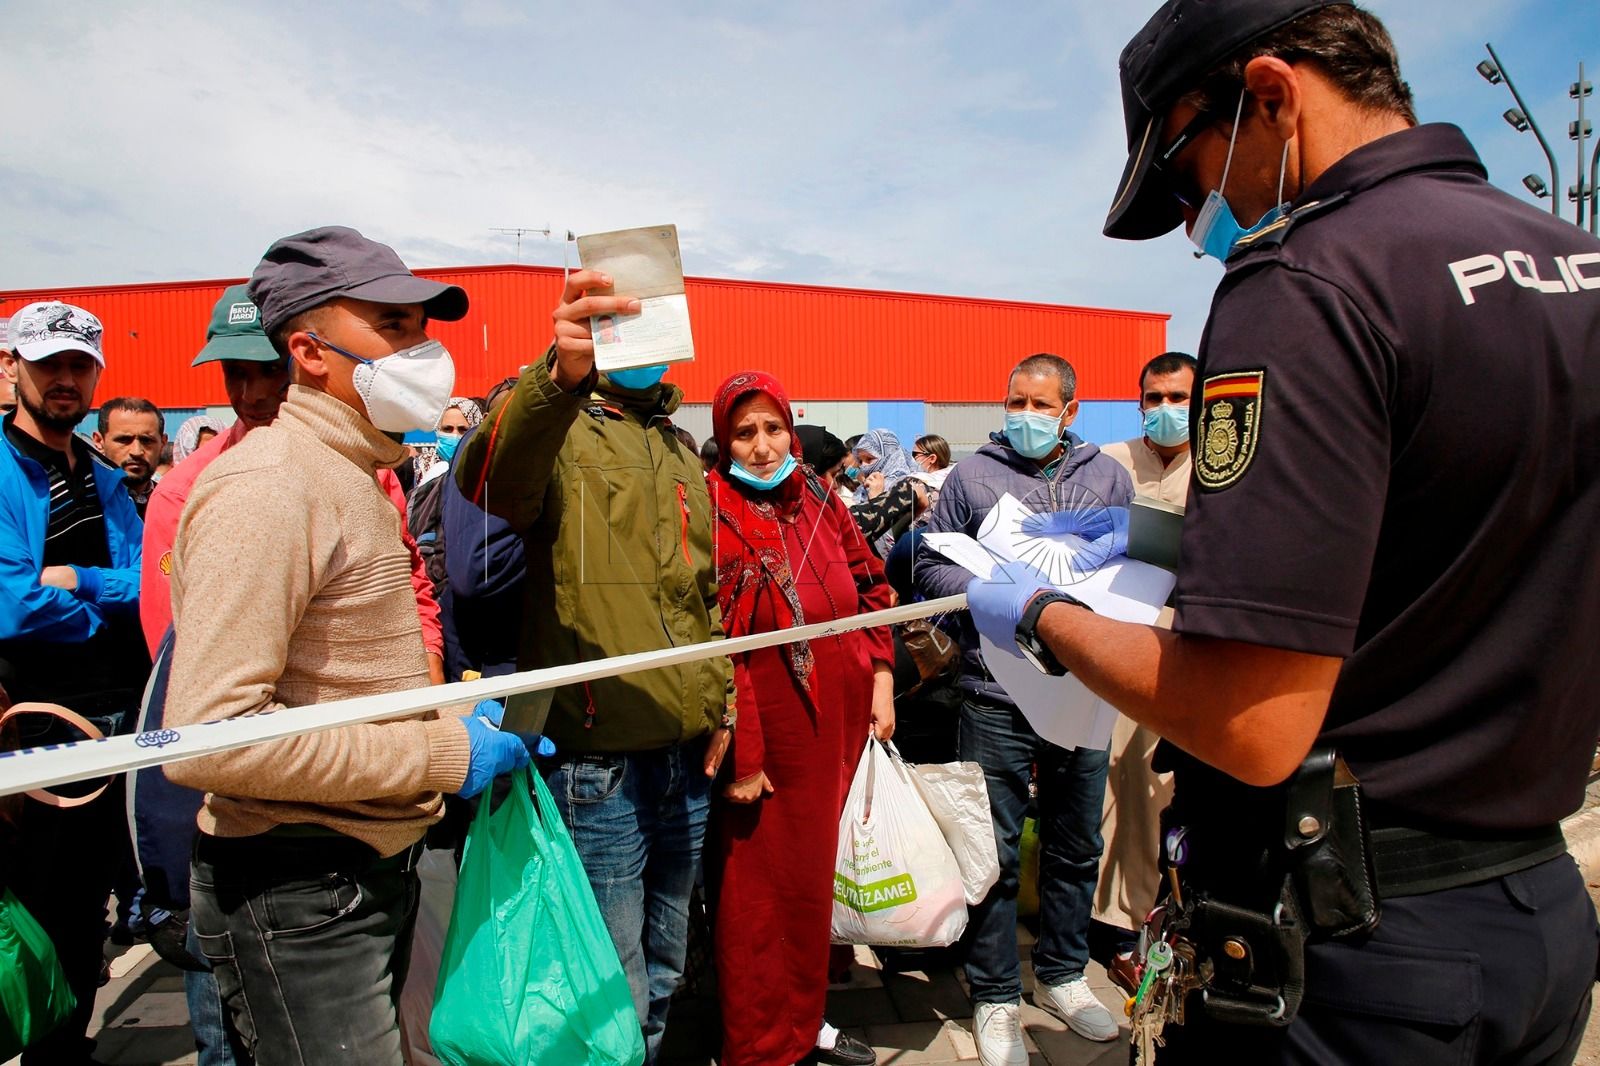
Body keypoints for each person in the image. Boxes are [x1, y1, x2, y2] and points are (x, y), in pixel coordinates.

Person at [962, 2, 1600, 1061]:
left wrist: (1043, 613)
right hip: (1532, 914)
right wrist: (1159, 544)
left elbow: (1252, 722)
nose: (1188, 218)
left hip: (1355, 950)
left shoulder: (1305, 280)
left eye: (1182, 169)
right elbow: (1437, 534)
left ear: (1269, 93)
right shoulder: (1570, 262)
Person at [163, 227, 529, 1065]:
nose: (424, 350)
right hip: (298, 888)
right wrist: (438, 755)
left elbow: (335, 676)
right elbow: (209, 741)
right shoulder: (270, 486)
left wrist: (452, 709)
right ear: (309, 351)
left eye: (422, 326)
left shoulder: (358, 472)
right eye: (393, 326)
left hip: (360, 868)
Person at [454, 269, 735, 1064]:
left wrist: (723, 705)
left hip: (685, 754)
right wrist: (559, 372)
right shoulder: (562, 423)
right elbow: (489, 476)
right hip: (596, 756)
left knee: (668, 966)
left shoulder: (681, 448)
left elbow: (701, 597)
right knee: (605, 976)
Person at [914, 353, 1132, 1065]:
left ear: (1071, 410)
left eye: (1042, 405)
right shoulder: (974, 475)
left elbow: (1130, 567)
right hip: (993, 689)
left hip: (1083, 691)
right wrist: (990, 595)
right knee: (994, 853)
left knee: (1075, 845)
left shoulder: (1107, 476)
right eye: (1017, 402)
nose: (1026, 416)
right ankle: (997, 995)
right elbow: (927, 564)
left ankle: (1066, 976)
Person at [705, 371, 893, 1066]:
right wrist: (746, 754)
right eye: (744, 432)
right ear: (724, 440)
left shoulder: (818, 495)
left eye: (772, 429)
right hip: (766, 734)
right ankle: (757, 1046)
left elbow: (874, 584)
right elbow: (718, 647)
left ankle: (805, 1021)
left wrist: (880, 676)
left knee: (812, 887)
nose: (761, 446)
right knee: (757, 896)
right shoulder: (712, 506)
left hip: (835, 726)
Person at [0, 300, 150, 1064]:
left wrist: (83, 582)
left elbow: (146, 583)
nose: (63, 379)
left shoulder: (102, 477)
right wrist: (102, 612)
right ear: (11, 368)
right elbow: (10, 604)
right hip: (24, 728)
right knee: (24, 909)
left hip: (110, 725)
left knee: (86, 905)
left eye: (77, 365)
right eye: (47, 363)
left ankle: (66, 1050)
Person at [1087, 352, 1195, 967]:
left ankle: (1154, 909)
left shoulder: (1223, 463)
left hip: (1186, 635)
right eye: (1153, 398)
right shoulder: (1111, 463)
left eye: (1178, 398)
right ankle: (1110, 919)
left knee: (1158, 781)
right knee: (1112, 777)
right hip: (1119, 633)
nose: (1164, 410)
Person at [1098, 352, 1195, 508]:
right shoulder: (1107, 461)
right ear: (1141, 404)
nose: (1165, 407)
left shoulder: (1216, 468)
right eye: (1154, 398)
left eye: (1177, 397)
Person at [92, 397, 166, 518]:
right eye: (124, 440)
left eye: (146, 440)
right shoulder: (84, 505)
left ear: (162, 443)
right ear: (99, 441)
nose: (136, 452)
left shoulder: (173, 503)